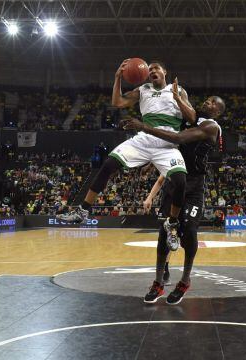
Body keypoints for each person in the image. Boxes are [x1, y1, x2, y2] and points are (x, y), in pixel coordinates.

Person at [59, 60, 196, 251]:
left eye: (156, 68)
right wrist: (117, 78)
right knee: (108, 165)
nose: (152, 71)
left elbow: (192, 118)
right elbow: (117, 102)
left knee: (180, 181)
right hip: (144, 139)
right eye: (149, 69)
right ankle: (83, 210)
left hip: (167, 143)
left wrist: (178, 99)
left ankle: (172, 224)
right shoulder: (143, 89)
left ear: (164, 71)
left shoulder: (178, 90)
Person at [123, 95, 225, 304]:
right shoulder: (189, 120)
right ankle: (159, 282)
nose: (208, 102)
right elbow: (172, 147)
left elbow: (177, 139)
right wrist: (152, 161)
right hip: (174, 182)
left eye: (214, 103)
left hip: (194, 186)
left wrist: (143, 126)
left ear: (218, 112)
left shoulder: (211, 127)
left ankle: (185, 280)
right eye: (208, 100)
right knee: (164, 233)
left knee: (188, 231)